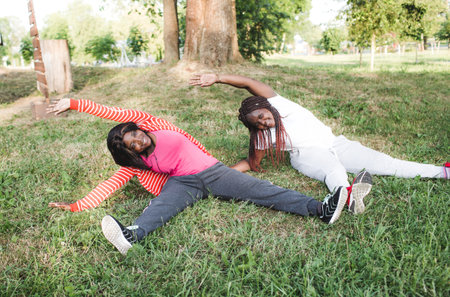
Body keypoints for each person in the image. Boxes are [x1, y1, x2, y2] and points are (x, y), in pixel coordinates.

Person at [47, 97, 355, 256]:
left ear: (139, 128)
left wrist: (75, 104)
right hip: (184, 183)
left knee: (262, 191)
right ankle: (132, 235)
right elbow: (110, 184)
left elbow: (112, 112)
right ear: (129, 152)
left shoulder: (151, 124)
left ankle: (321, 209)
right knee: (161, 207)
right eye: (131, 146)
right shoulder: (138, 162)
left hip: (213, 171)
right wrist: (76, 206)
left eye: (136, 136)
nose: (138, 142)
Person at [189, 73, 449, 214]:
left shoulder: (279, 103)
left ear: (265, 105)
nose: (263, 123)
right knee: (333, 170)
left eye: (261, 117)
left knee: (387, 163)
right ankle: (346, 197)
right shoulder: (262, 137)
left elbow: (247, 83)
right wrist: (218, 175)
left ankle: (443, 171)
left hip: (337, 143)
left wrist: (218, 77)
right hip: (307, 155)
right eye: (256, 124)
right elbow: (251, 163)